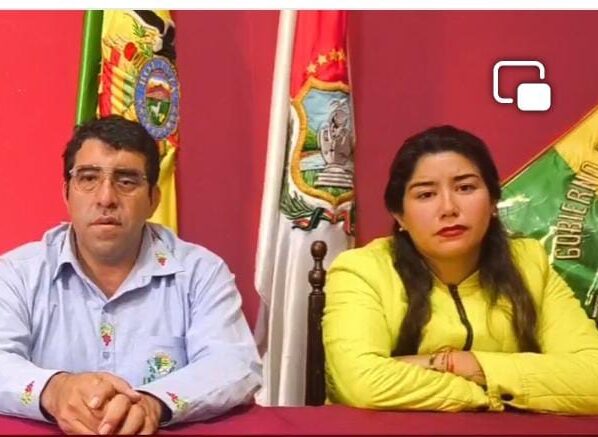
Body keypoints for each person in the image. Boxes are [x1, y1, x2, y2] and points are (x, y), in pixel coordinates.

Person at [0, 115, 261, 434]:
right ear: (66, 193)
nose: (106, 198)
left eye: (126, 181)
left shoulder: (200, 273)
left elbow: (234, 364)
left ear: (153, 199)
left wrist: (152, 403)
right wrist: (55, 390)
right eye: (88, 178)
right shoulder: (17, 273)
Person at [322, 125, 598, 414]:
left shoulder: (528, 262)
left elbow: (592, 374)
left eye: (465, 188)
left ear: (493, 201)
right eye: (426, 194)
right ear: (399, 216)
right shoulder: (362, 270)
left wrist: (462, 365)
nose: (449, 208)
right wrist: (487, 394)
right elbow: (361, 384)